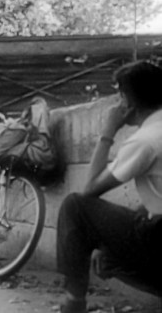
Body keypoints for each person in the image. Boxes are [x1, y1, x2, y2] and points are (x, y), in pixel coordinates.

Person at [56, 61, 162, 313]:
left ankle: (74, 302)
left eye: (119, 96)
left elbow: (89, 190)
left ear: (127, 101)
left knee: (75, 207)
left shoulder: (145, 140)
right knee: (111, 252)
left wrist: (107, 132)